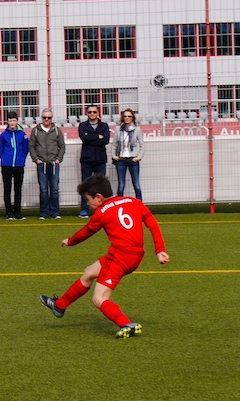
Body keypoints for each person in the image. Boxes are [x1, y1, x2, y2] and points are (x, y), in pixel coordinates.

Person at [39, 174, 170, 338]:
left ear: (99, 197)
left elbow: (86, 233)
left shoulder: (101, 213)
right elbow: (152, 224)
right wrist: (160, 249)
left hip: (120, 257)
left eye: (88, 199)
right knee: (89, 272)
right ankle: (59, 306)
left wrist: (70, 241)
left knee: (99, 298)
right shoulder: (134, 202)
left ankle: (126, 324)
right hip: (136, 256)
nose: (88, 203)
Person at [29, 108, 65, 220]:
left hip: (54, 163)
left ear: (51, 118)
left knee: (54, 189)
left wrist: (59, 159)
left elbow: (62, 146)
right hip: (42, 163)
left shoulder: (56, 130)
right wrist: (36, 159)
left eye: (49, 118)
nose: (46, 120)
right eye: (44, 117)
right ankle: (44, 212)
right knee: (43, 189)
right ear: (41, 118)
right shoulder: (36, 130)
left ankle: (55, 212)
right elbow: (31, 146)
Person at [78, 106, 110, 218]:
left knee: (101, 185)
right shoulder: (83, 125)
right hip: (87, 159)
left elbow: (105, 140)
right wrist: (97, 137)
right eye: (90, 112)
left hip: (100, 159)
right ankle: (84, 209)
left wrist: (91, 138)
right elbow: (84, 138)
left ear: (98, 113)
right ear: (87, 113)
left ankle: (102, 208)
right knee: (86, 184)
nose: (92, 114)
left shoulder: (104, 126)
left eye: (94, 112)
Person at [0, 111, 29, 220]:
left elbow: (25, 149)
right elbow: (0, 149)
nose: (12, 123)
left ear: (17, 121)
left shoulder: (22, 134)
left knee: (18, 189)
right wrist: (5, 159)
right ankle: (9, 212)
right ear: (7, 122)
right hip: (6, 165)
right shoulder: (3, 135)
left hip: (19, 165)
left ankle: (17, 212)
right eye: (10, 121)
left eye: (14, 120)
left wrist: (21, 159)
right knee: (7, 189)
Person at [112, 109, 144, 200]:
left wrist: (139, 157)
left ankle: (140, 205)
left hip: (133, 160)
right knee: (121, 185)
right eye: (125, 116)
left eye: (129, 116)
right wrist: (114, 156)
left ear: (132, 117)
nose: (127, 118)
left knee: (136, 185)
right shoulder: (118, 129)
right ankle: (119, 205)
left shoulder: (137, 129)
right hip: (121, 160)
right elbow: (114, 144)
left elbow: (142, 145)